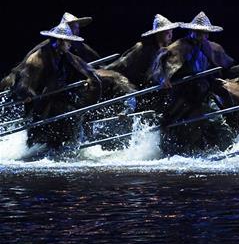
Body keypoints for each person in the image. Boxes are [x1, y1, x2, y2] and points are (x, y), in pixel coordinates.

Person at [150, 12, 236, 156]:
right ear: (192, 31)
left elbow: (227, 68)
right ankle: (166, 152)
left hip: (205, 94)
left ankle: (226, 153)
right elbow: (160, 66)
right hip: (184, 94)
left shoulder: (212, 47)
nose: (201, 36)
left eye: (204, 33)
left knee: (221, 125)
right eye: (198, 32)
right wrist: (163, 79)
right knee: (169, 123)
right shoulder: (179, 47)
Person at [9, 21, 102, 154]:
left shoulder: (65, 55)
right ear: (59, 41)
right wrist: (27, 95)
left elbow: (86, 69)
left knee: (68, 112)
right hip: (39, 102)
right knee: (40, 136)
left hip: (57, 98)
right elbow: (23, 83)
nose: (70, 44)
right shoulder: (37, 58)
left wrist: (87, 79)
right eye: (67, 41)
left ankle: (64, 147)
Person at [0, 12, 99, 91]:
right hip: (39, 84)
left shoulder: (77, 45)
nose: (77, 30)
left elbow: (88, 58)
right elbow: (27, 64)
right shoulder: (47, 47)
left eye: (77, 27)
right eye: (74, 27)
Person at [105, 14, 180, 87]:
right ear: (158, 33)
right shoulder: (145, 48)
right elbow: (126, 68)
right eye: (167, 33)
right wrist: (161, 79)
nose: (170, 36)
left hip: (133, 83)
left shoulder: (161, 50)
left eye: (171, 32)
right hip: (123, 80)